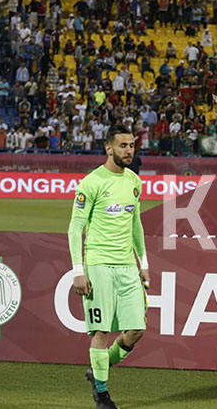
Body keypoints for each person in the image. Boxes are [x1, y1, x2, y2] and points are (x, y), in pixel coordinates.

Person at [68, 124, 149, 409]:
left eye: (132, 145)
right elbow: (75, 227)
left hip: (128, 267)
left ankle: (99, 368)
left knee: (137, 329)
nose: (129, 150)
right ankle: (101, 394)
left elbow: (135, 224)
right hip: (99, 265)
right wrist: (79, 270)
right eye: (123, 145)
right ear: (108, 148)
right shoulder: (91, 182)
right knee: (100, 333)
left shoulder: (134, 181)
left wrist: (144, 262)